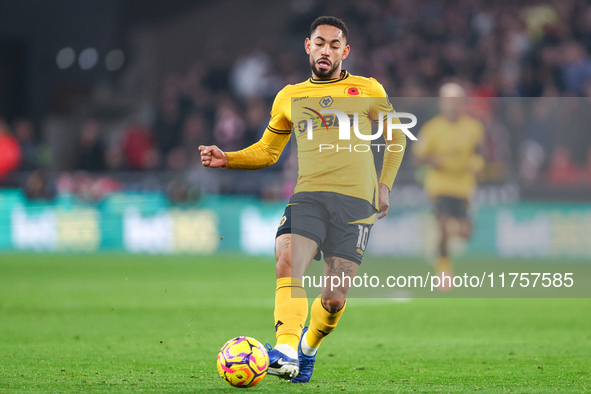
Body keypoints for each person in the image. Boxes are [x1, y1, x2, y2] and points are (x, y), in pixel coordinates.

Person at [199, 16, 407, 383]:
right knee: (286, 258)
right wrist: (228, 158)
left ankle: (308, 349)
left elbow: (397, 137)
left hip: (356, 204)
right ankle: (286, 349)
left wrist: (385, 185)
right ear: (308, 47)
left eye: (334, 45)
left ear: (345, 51)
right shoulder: (290, 97)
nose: (326, 50)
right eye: (320, 43)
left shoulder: (367, 89)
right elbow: (267, 151)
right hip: (309, 196)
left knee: (333, 299)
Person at [412, 83, 485, 287]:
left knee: (465, 232)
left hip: (463, 186)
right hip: (440, 185)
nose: (452, 105)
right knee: (443, 227)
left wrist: (476, 166)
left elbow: (479, 154)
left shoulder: (474, 128)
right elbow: (417, 157)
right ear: (441, 103)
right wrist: (431, 160)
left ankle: (440, 240)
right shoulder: (432, 129)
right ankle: (444, 271)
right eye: (448, 101)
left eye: (456, 101)